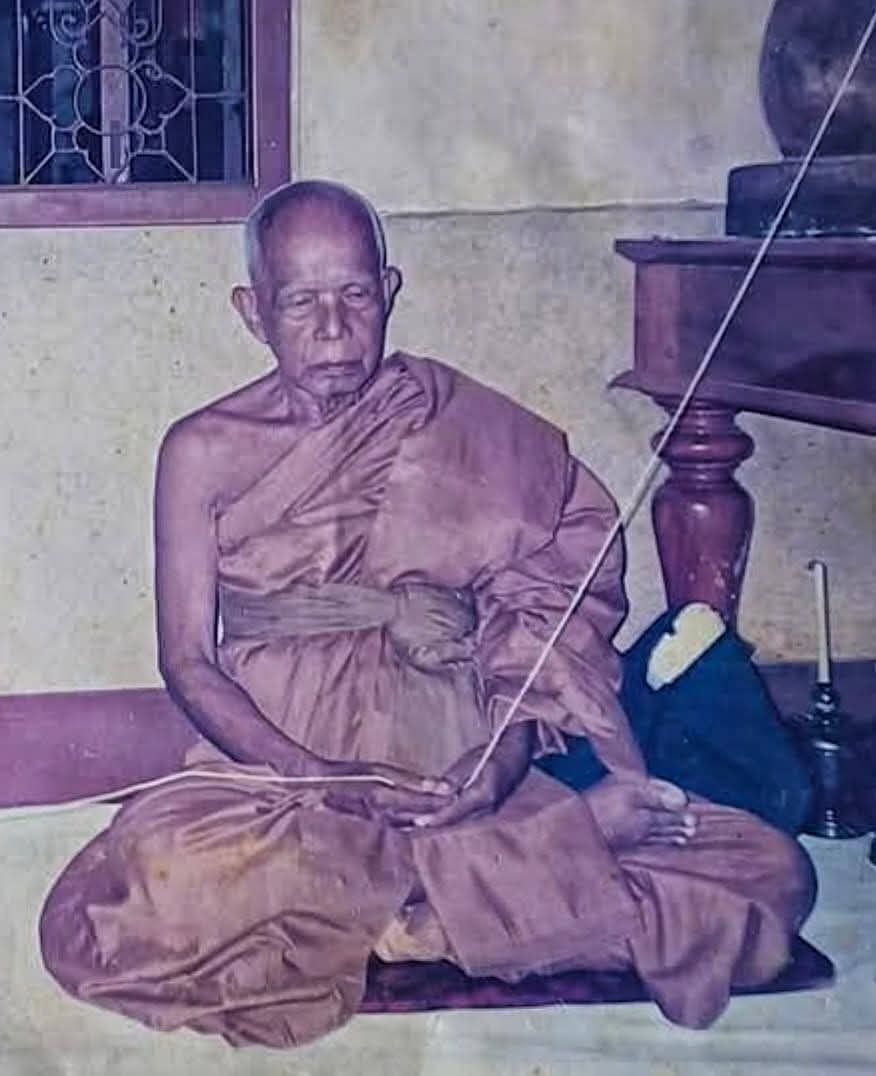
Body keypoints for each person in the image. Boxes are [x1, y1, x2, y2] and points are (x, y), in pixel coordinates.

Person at [39, 180, 815, 1049]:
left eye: (356, 296)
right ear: (252, 312)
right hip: (284, 775)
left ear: (389, 290)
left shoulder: (462, 423)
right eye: (301, 303)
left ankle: (411, 905)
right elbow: (187, 660)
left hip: (452, 766)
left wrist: (503, 760)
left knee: (768, 870)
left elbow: (539, 617)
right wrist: (320, 776)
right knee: (148, 886)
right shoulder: (200, 450)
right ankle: (522, 870)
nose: (335, 329)